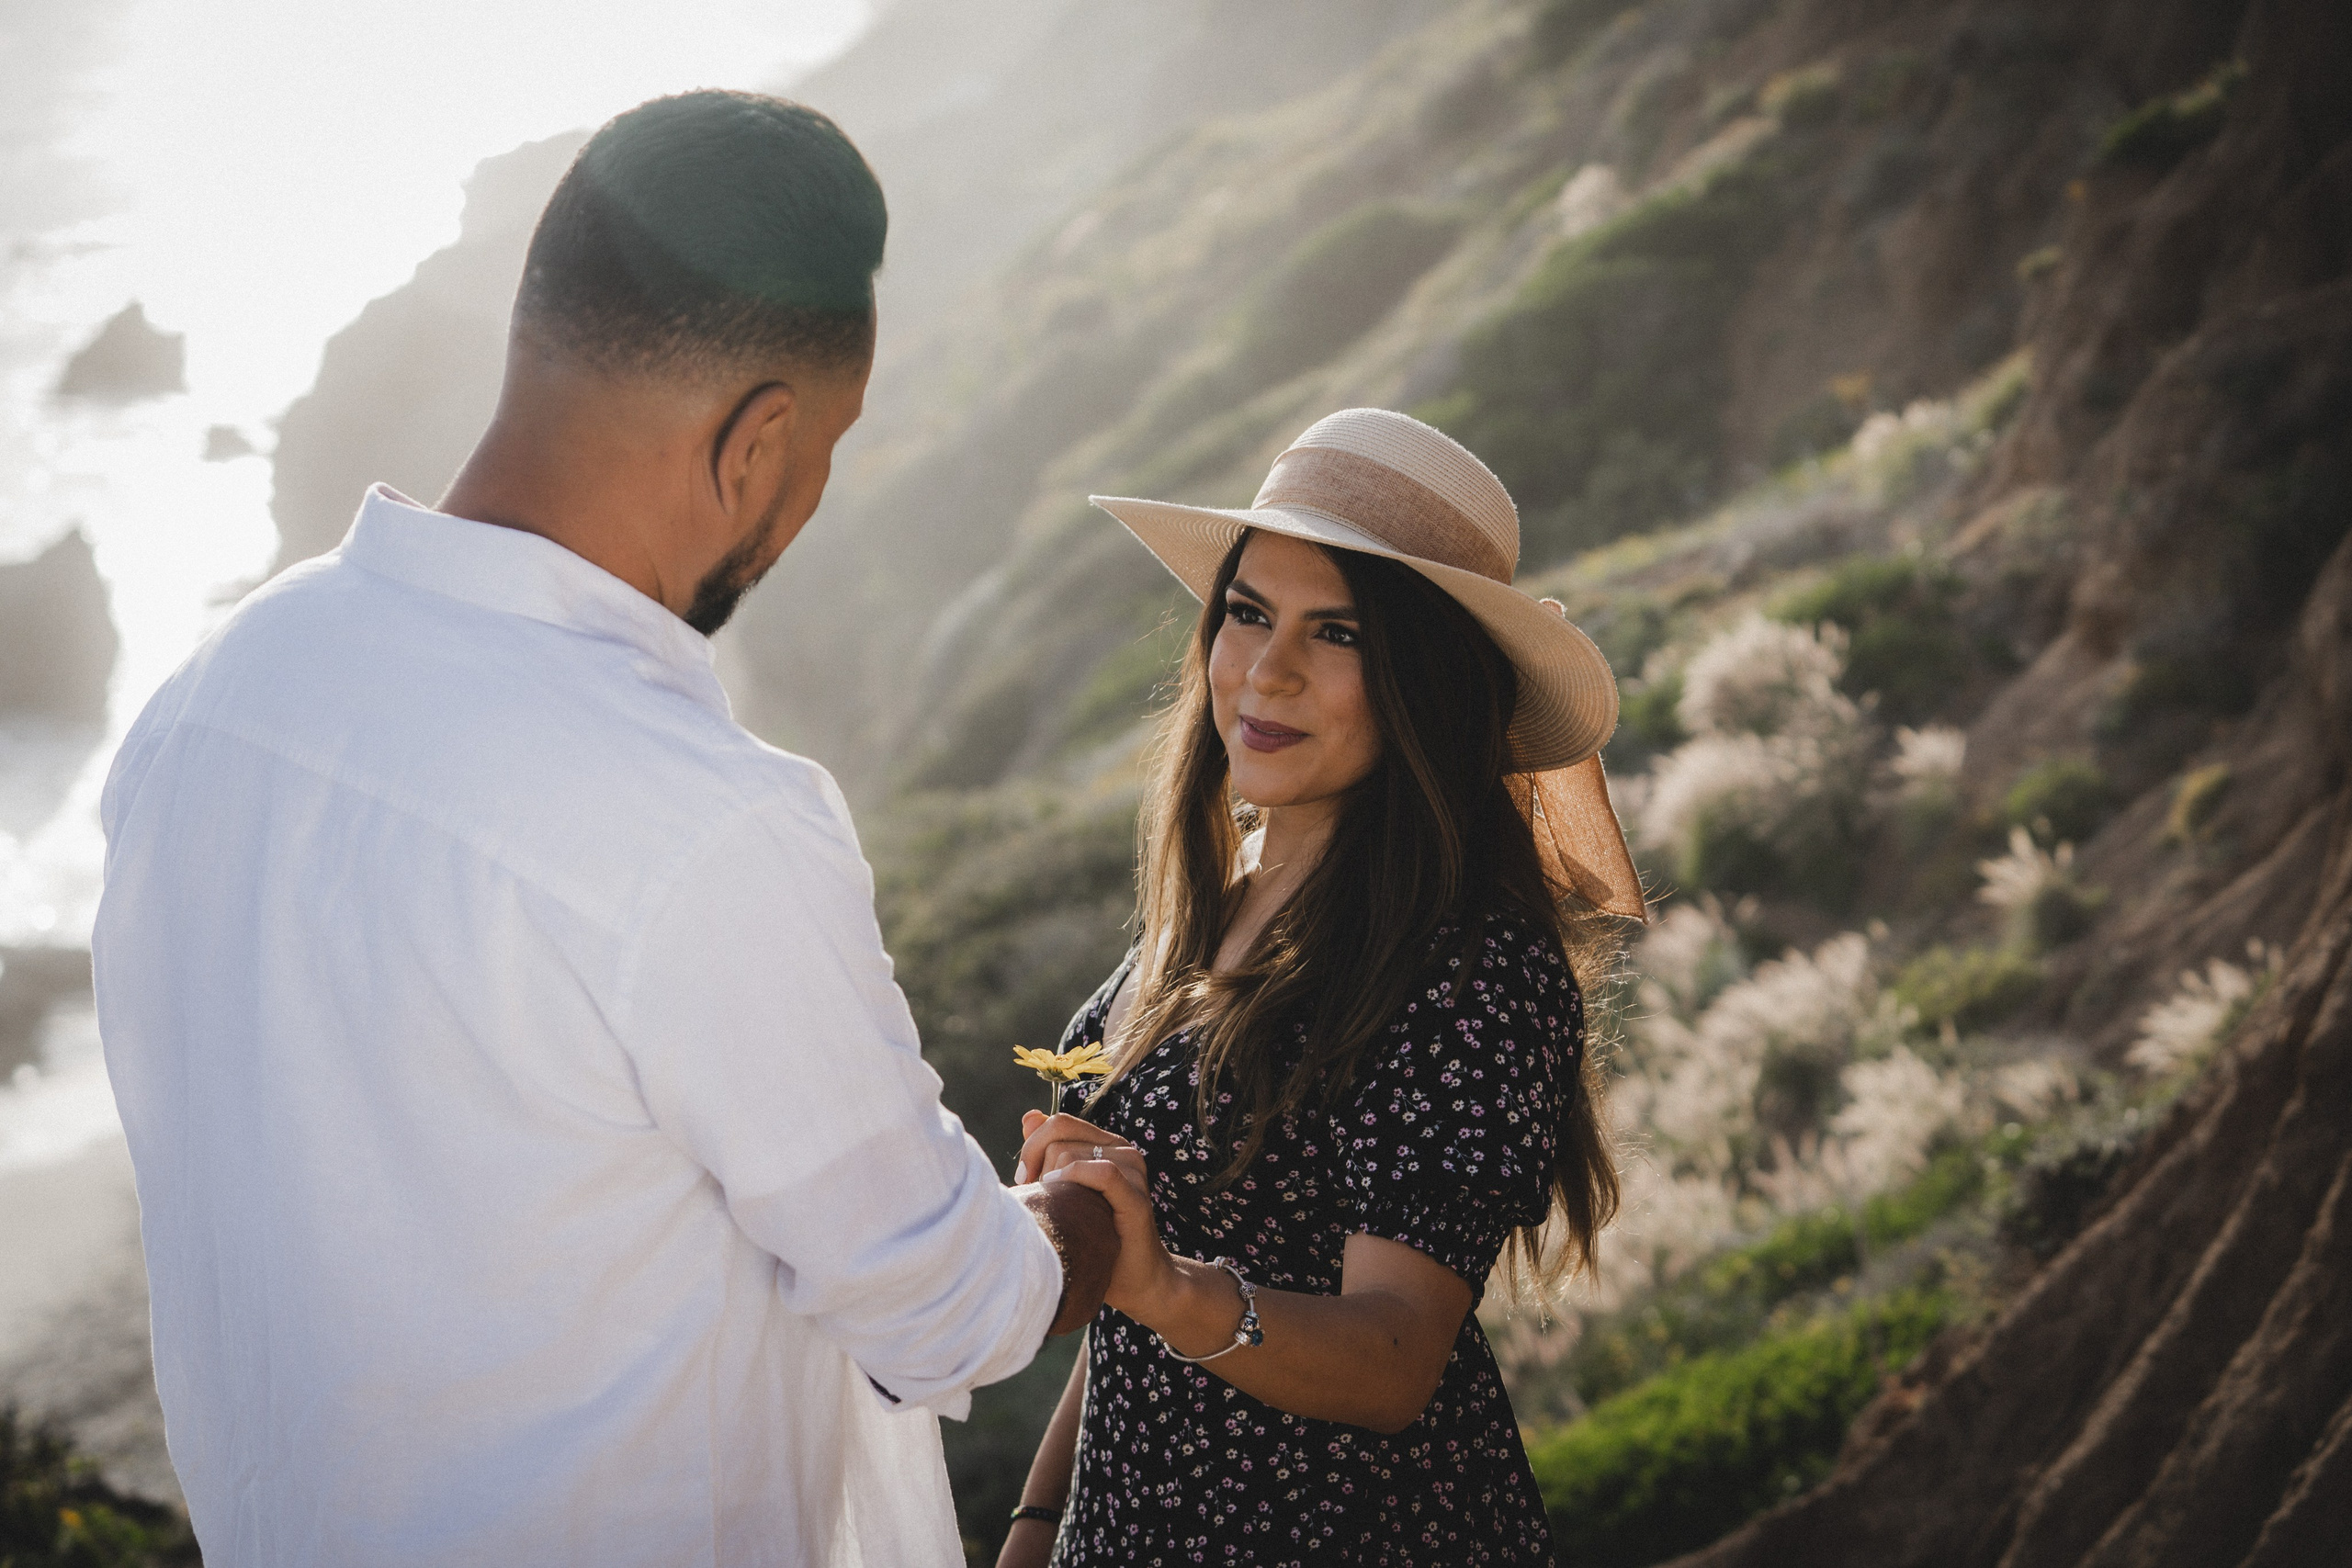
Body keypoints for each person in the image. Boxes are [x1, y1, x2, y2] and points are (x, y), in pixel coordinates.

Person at [93, 90, 1114, 1567]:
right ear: (758, 443)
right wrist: (1083, 1217)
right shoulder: (704, 826)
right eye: (826, 450)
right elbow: (950, 1303)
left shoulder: (205, 702)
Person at [997, 408, 1646, 1566]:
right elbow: (1139, 1287)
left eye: (1336, 633)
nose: (1267, 669)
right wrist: (1038, 1528)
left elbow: (1394, 1359)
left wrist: (1167, 1286)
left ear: (1425, 685)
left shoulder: (1469, 964)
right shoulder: (1215, 897)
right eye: (1247, 612)